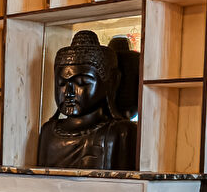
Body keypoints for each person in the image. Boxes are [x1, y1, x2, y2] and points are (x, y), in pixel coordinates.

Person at [34, 30, 136, 170]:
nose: (69, 93)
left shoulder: (119, 132)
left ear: (111, 82)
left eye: (82, 82)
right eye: (62, 83)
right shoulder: (48, 131)